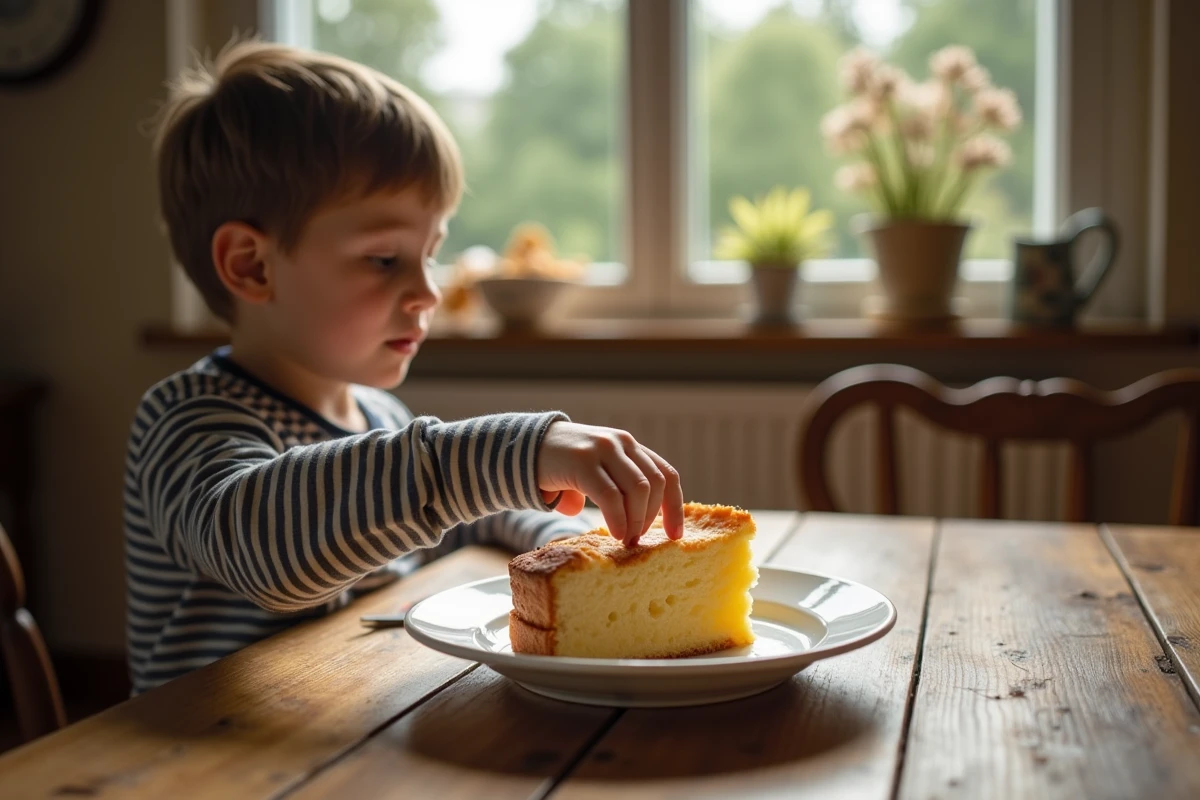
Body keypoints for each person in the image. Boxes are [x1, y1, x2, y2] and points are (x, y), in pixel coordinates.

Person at [125, 40, 683, 695]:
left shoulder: (377, 416)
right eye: (385, 259)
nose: (428, 292)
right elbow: (260, 550)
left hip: (353, 714)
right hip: (202, 749)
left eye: (431, 255)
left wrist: (563, 537)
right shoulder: (185, 421)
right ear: (252, 265)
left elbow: (463, 515)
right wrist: (518, 451)